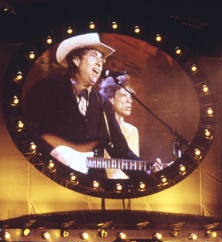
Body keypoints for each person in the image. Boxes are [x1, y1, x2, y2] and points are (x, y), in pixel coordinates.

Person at [23, 33, 162, 177]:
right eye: (94, 55)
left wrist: (147, 171)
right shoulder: (48, 88)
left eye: (102, 59)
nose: (100, 63)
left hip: (93, 186)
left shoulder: (103, 104)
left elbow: (121, 150)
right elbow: (26, 127)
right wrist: (51, 152)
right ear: (76, 60)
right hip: (52, 180)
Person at [99, 75, 139, 179]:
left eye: (130, 96)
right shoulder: (100, 128)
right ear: (110, 99)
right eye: (124, 95)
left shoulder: (132, 130)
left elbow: (133, 167)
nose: (129, 101)